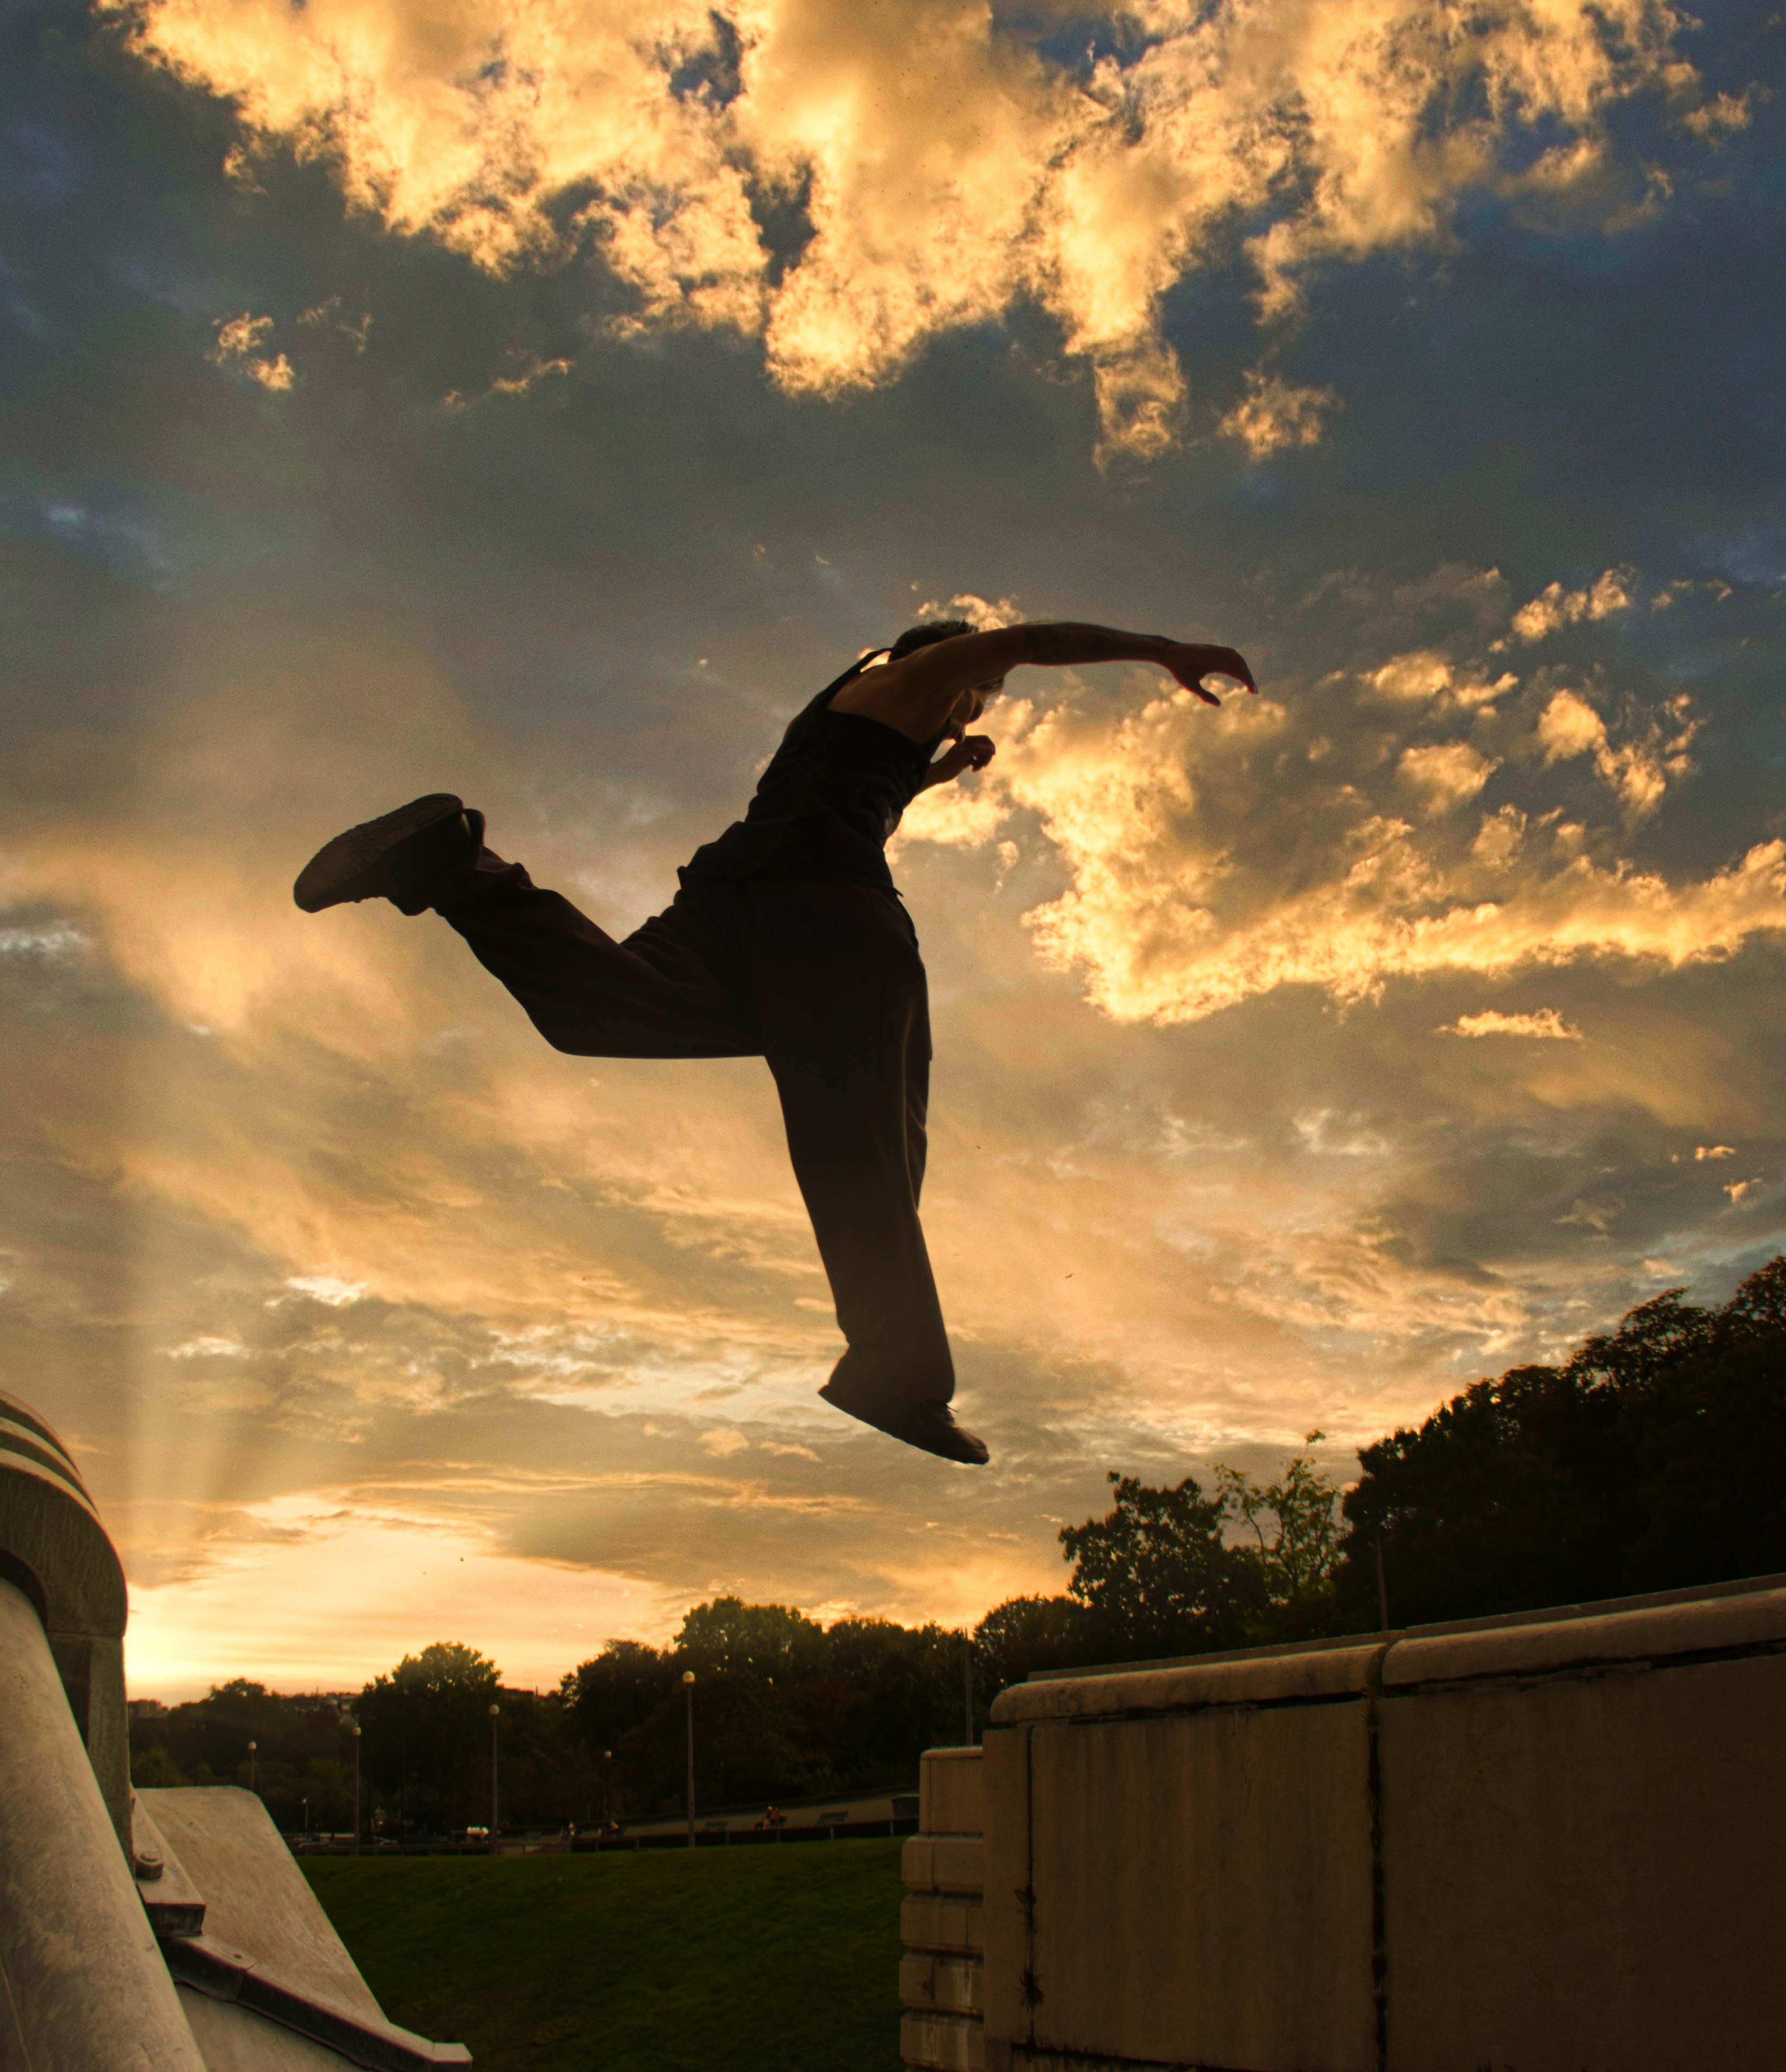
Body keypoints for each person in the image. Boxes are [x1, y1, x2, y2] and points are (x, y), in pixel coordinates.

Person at [292, 618, 1255, 1466]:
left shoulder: (850, 716)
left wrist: (934, 775)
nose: (970, 711)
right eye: (974, 698)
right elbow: (1022, 642)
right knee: (868, 1145)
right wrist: (1160, 651)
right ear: (940, 664)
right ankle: (894, 1367)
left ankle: (456, 866)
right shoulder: (916, 674)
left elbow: (842, 792)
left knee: (597, 1012)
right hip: (827, 924)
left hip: (733, 907)